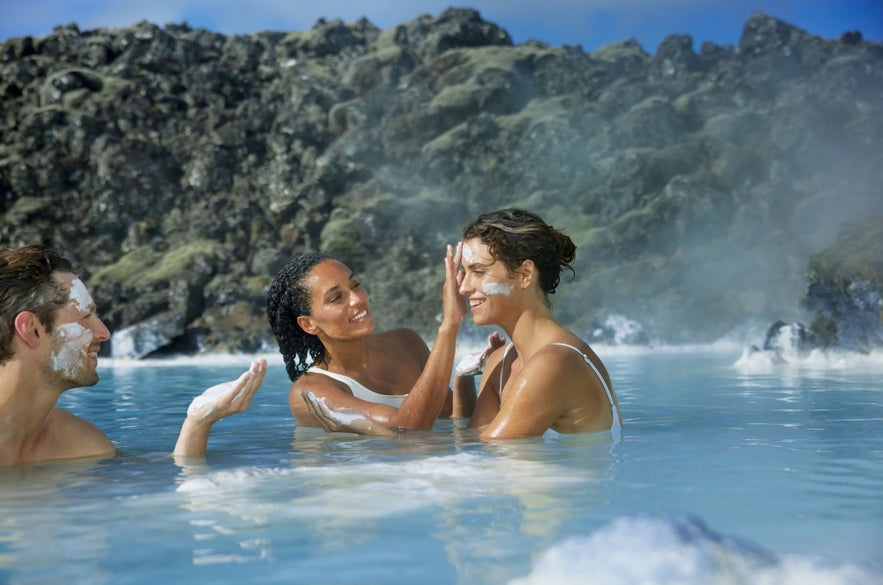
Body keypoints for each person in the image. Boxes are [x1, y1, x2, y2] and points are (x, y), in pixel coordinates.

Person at [304, 208, 623, 440]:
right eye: (463, 273)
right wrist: (463, 379)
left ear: (525, 275)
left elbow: (475, 464)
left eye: (479, 272)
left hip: (581, 526)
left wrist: (369, 430)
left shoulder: (555, 362)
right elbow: (467, 444)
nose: (464, 287)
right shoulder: (501, 361)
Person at [0, 245, 266, 467]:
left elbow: (155, 485)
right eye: (85, 317)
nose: (104, 333)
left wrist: (198, 422)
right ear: (32, 329)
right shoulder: (74, 444)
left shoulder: (78, 443)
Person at [266, 244, 475, 432]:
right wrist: (449, 324)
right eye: (336, 298)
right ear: (308, 324)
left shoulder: (406, 343)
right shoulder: (310, 392)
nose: (358, 299)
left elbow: (454, 418)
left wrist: (464, 376)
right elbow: (408, 430)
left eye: (355, 285)